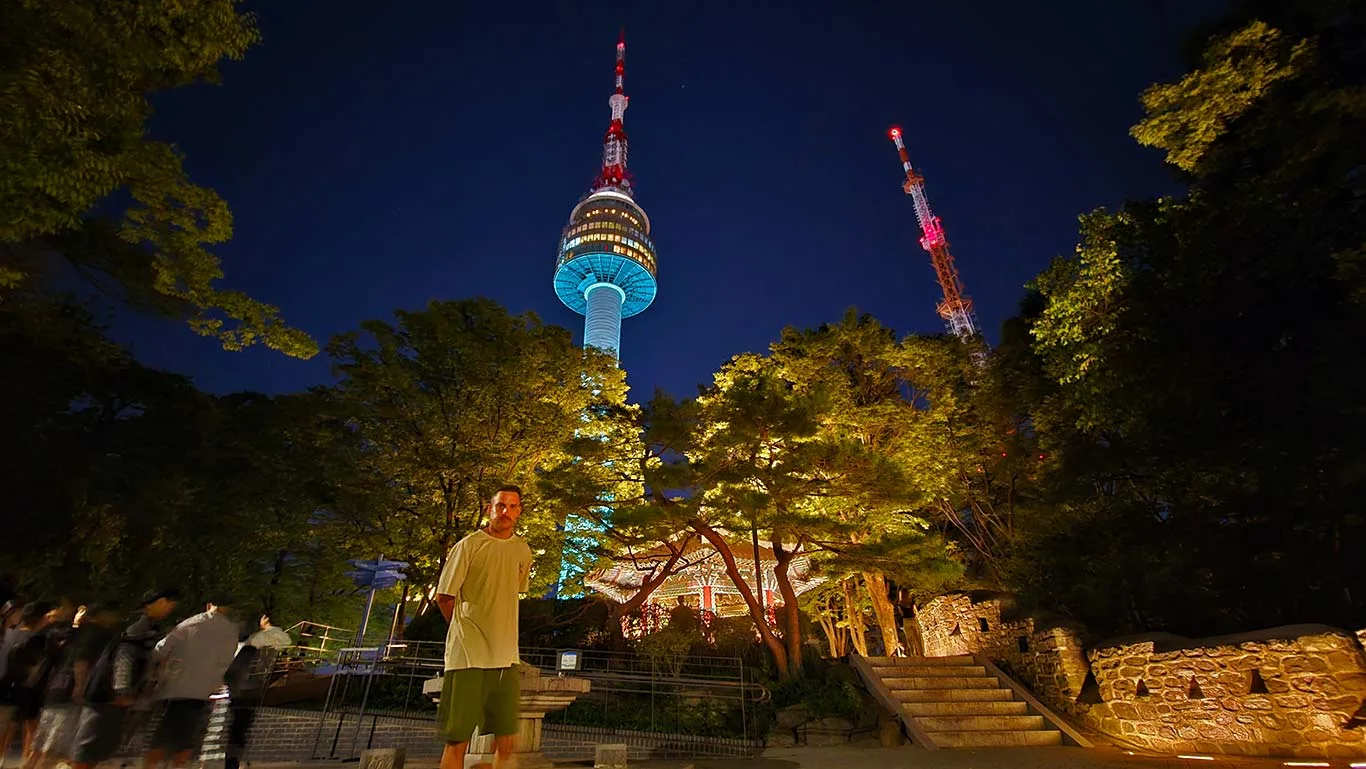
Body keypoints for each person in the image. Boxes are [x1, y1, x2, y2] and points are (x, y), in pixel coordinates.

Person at [434, 485, 533, 769]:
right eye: (500, 505)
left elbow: (511, 593)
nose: (506, 512)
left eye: (513, 506)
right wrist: (465, 630)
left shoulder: (522, 550)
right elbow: (444, 596)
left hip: (505, 655)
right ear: (489, 509)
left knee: (507, 740)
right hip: (469, 655)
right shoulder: (468, 545)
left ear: (519, 511)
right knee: (458, 740)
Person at [70, 588, 179, 769]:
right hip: (109, 698)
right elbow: (125, 657)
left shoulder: (147, 628)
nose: (170, 607)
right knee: (89, 750)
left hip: (117, 698)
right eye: (168, 603)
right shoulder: (139, 629)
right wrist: (123, 690)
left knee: (101, 750)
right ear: (156, 603)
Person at [141, 598, 239, 769]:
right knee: (187, 739)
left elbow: (162, 647)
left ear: (209, 605)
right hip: (201, 692)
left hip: (175, 688)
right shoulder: (230, 631)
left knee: (161, 737)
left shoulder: (191, 624)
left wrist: (155, 669)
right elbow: (225, 662)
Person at [25, 605, 121, 769]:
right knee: (54, 752)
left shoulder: (76, 631)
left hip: (55, 693)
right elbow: (81, 661)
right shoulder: (95, 633)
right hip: (68, 696)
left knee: (41, 750)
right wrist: (80, 687)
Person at [0, 602, 55, 765]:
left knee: (15, 726)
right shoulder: (25, 636)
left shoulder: (14, 635)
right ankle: (25, 762)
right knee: (24, 726)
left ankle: (20, 761)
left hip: (13, 685)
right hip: (20, 686)